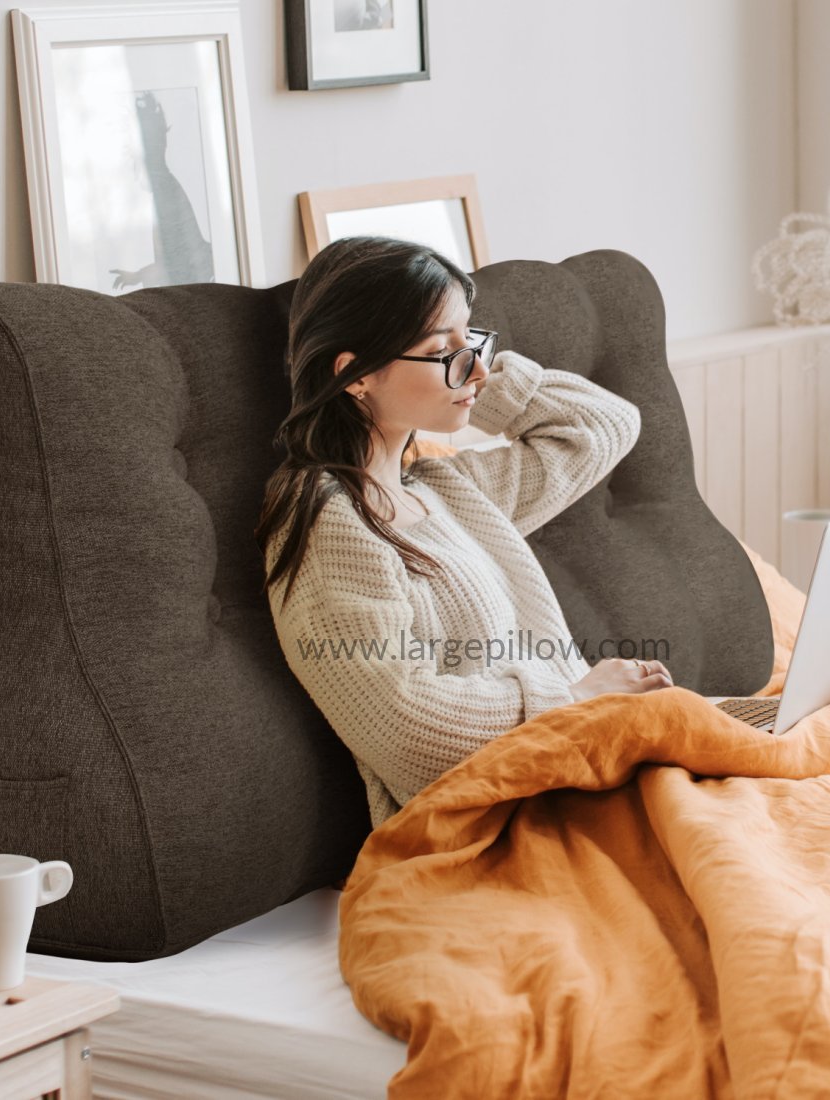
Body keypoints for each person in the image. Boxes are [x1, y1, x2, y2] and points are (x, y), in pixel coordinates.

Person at [255, 236, 673, 830]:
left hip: (580, 769)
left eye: (472, 341)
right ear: (354, 374)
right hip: (498, 819)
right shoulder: (328, 522)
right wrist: (576, 700)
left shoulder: (443, 489)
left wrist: (476, 384)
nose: (475, 367)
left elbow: (603, 426)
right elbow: (405, 729)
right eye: (441, 350)